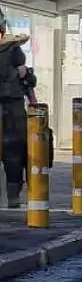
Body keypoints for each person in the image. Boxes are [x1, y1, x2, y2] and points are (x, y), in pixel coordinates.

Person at [0, 13, 36, 208]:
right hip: (12, 106)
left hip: (12, 105)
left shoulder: (12, 49)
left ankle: (15, 196)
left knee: (15, 149)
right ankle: (15, 196)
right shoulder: (12, 49)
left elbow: (27, 79)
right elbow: (26, 78)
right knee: (16, 148)